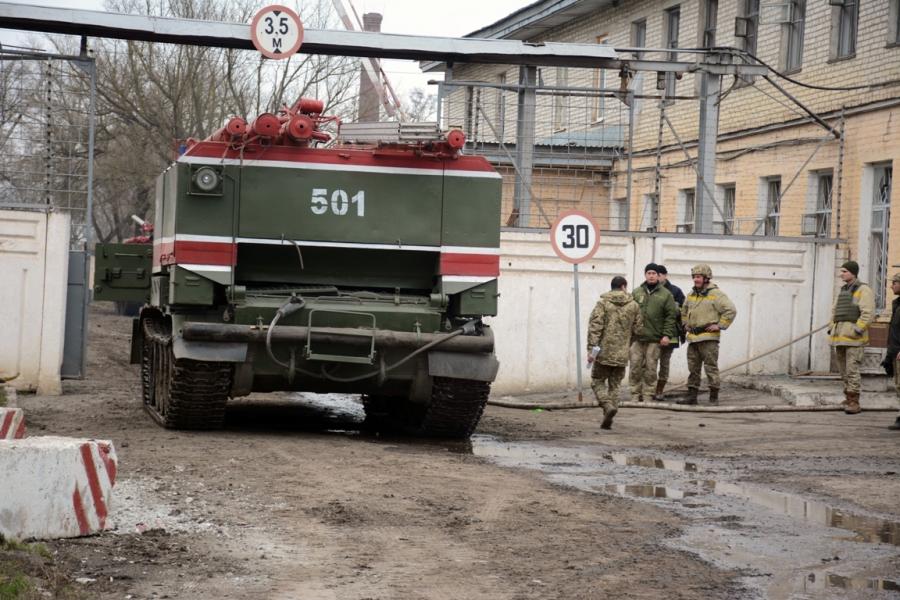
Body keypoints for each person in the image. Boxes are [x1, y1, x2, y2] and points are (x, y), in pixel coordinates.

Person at [587, 276, 643, 430]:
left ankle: (606, 405)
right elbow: (639, 329)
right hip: (622, 353)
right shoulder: (634, 305)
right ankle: (612, 409)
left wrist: (592, 350)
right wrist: (627, 343)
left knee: (597, 380)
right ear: (624, 286)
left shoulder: (603, 303)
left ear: (612, 287)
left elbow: (595, 327)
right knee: (615, 385)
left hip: (603, 353)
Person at [677, 263, 737, 405]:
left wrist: (720, 325)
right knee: (693, 369)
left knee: (710, 368)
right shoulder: (691, 294)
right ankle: (692, 397)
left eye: (698, 277)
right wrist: (685, 324)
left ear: (706, 278)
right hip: (693, 338)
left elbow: (731, 310)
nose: (696, 280)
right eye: (694, 277)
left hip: (709, 339)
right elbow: (683, 311)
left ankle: (713, 397)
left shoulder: (716, 294)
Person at [830, 260, 875, 415]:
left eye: (844, 271)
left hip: (854, 339)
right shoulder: (843, 290)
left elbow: (867, 313)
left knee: (852, 370)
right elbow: (835, 311)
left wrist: (857, 329)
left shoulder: (863, 290)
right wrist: (831, 328)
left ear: (853, 273)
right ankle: (848, 396)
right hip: (839, 337)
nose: (841, 274)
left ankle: (854, 401)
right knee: (843, 370)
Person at [629, 264, 677, 402]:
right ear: (645, 275)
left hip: (655, 339)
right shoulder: (637, 292)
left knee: (651, 368)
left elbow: (670, 316)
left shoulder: (666, 295)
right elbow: (630, 313)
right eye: (648, 273)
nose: (651, 275)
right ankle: (634, 393)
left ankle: (648, 394)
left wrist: (666, 335)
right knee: (635, 366)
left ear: (658, 276)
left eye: (654, 273)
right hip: (637, 338)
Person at [655, 264, 685, 401]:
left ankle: (660, 389)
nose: (656, 277)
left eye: (659, 274)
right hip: (653, 333)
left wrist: (674, 308)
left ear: (665, 275)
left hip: (670, 334)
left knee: (664, 363)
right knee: (649, 362)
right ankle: (649, 389)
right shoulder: (650, 290)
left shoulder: (675, 291)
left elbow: (684, 310)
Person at [881, 273, 900, 431]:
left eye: (894, 283)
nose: (891, 286)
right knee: (898, 386)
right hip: (895, 351)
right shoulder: (897, 304)